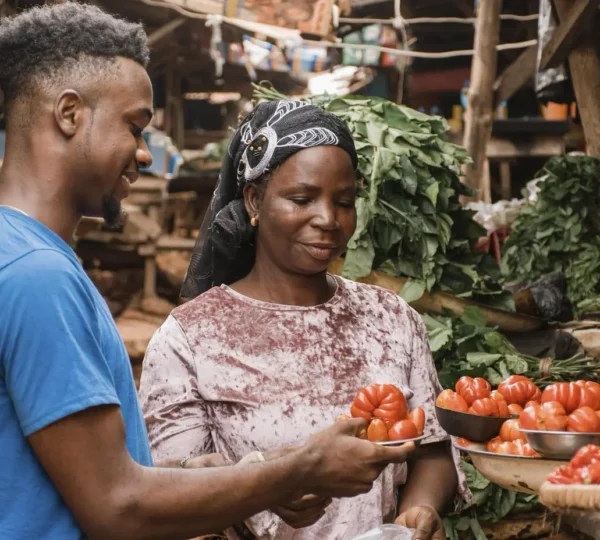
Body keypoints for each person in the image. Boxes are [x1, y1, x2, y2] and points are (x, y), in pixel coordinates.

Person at [0, 4, 416, 539]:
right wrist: (299, 471)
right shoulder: (39, 277)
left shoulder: (21, 256)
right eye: (135, 127)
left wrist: (234, 474)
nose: (145, 155)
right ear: (70, 113)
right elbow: (118, 507)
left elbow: (82, 473)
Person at [139, 100, 470, 540]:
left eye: (345, 201)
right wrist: (266, 486)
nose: (328, 219)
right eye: (302, 199)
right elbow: (173, 493)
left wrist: (419, 509)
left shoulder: (391, 318)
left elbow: (431, 450)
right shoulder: (190, 337)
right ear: (254, 200)